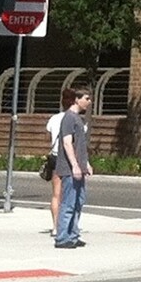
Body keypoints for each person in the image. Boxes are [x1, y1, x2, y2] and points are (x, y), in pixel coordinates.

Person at [53, 85, 92, 249]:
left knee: (78, 202)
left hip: (79, 168)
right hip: (70, 169)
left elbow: (80, 146)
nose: (89, 102)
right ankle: (62, 238)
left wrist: (86, 164)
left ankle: (73, 235)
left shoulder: (78, 119)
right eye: (86, 98)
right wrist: (75, 165)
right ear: (76, 99)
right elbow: (67, 143)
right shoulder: (69, 118)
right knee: (69, 203)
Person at [44, 85, 73, 235]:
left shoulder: (54, 119)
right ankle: (66, 226)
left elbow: (48, 138)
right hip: (68, 159)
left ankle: (55, 226)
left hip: (55, 156)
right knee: (70, 194)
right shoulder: (75, 119)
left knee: (56, 194)